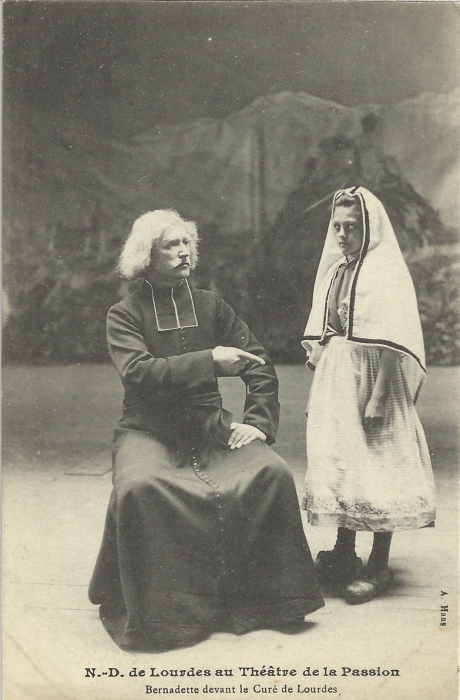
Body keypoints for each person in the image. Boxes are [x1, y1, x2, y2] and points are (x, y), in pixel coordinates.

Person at [89, 209, 324, 651]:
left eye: (186, 244)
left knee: (272, 473)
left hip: (210, 426)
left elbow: (259, 364)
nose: (183, 252)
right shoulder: (122, 314)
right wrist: (210, 361)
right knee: (140, 487)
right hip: (146, 431)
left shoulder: (212, 306)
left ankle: (268, 604)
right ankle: (165, 616)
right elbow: (138, 372)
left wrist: (257, 422)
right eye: (170, 245)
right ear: (146, 256)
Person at [301, 187, 435, 605]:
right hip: (339, 375)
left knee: (378, 462)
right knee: (345, 461)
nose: (342, 235)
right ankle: (344, 551)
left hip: (375, 377)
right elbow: (330, 329)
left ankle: (379, 563)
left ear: (370, 228)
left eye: (352, 227)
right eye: (337, 227)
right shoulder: (339, 269)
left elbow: (392, 340)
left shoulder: (383, 272)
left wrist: (378, 398)